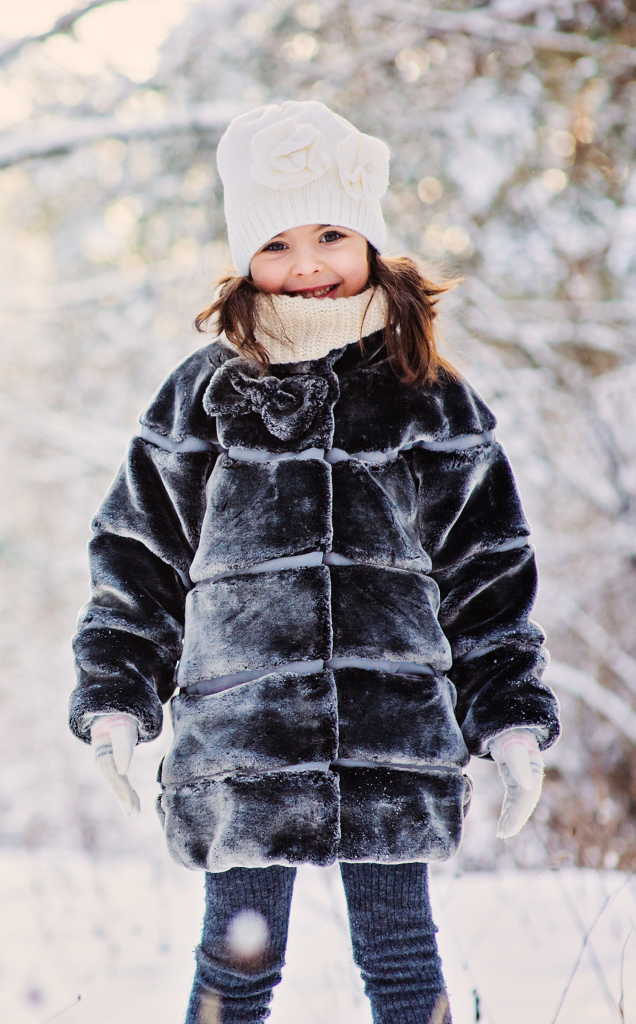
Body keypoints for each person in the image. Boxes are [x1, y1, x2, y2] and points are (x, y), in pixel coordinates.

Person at [68, 101, 560, 1024]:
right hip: (244, 736)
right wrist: (116, 697)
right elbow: (139, 556)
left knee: (403, 962)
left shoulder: (428, 396)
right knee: (237, 963)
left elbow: (488, 573)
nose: (307, 265)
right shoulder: (205, 394)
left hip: (391, 734)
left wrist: (510, 719)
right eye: (277, 243)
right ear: (244, 257)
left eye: (331, 234)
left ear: (369, 236)